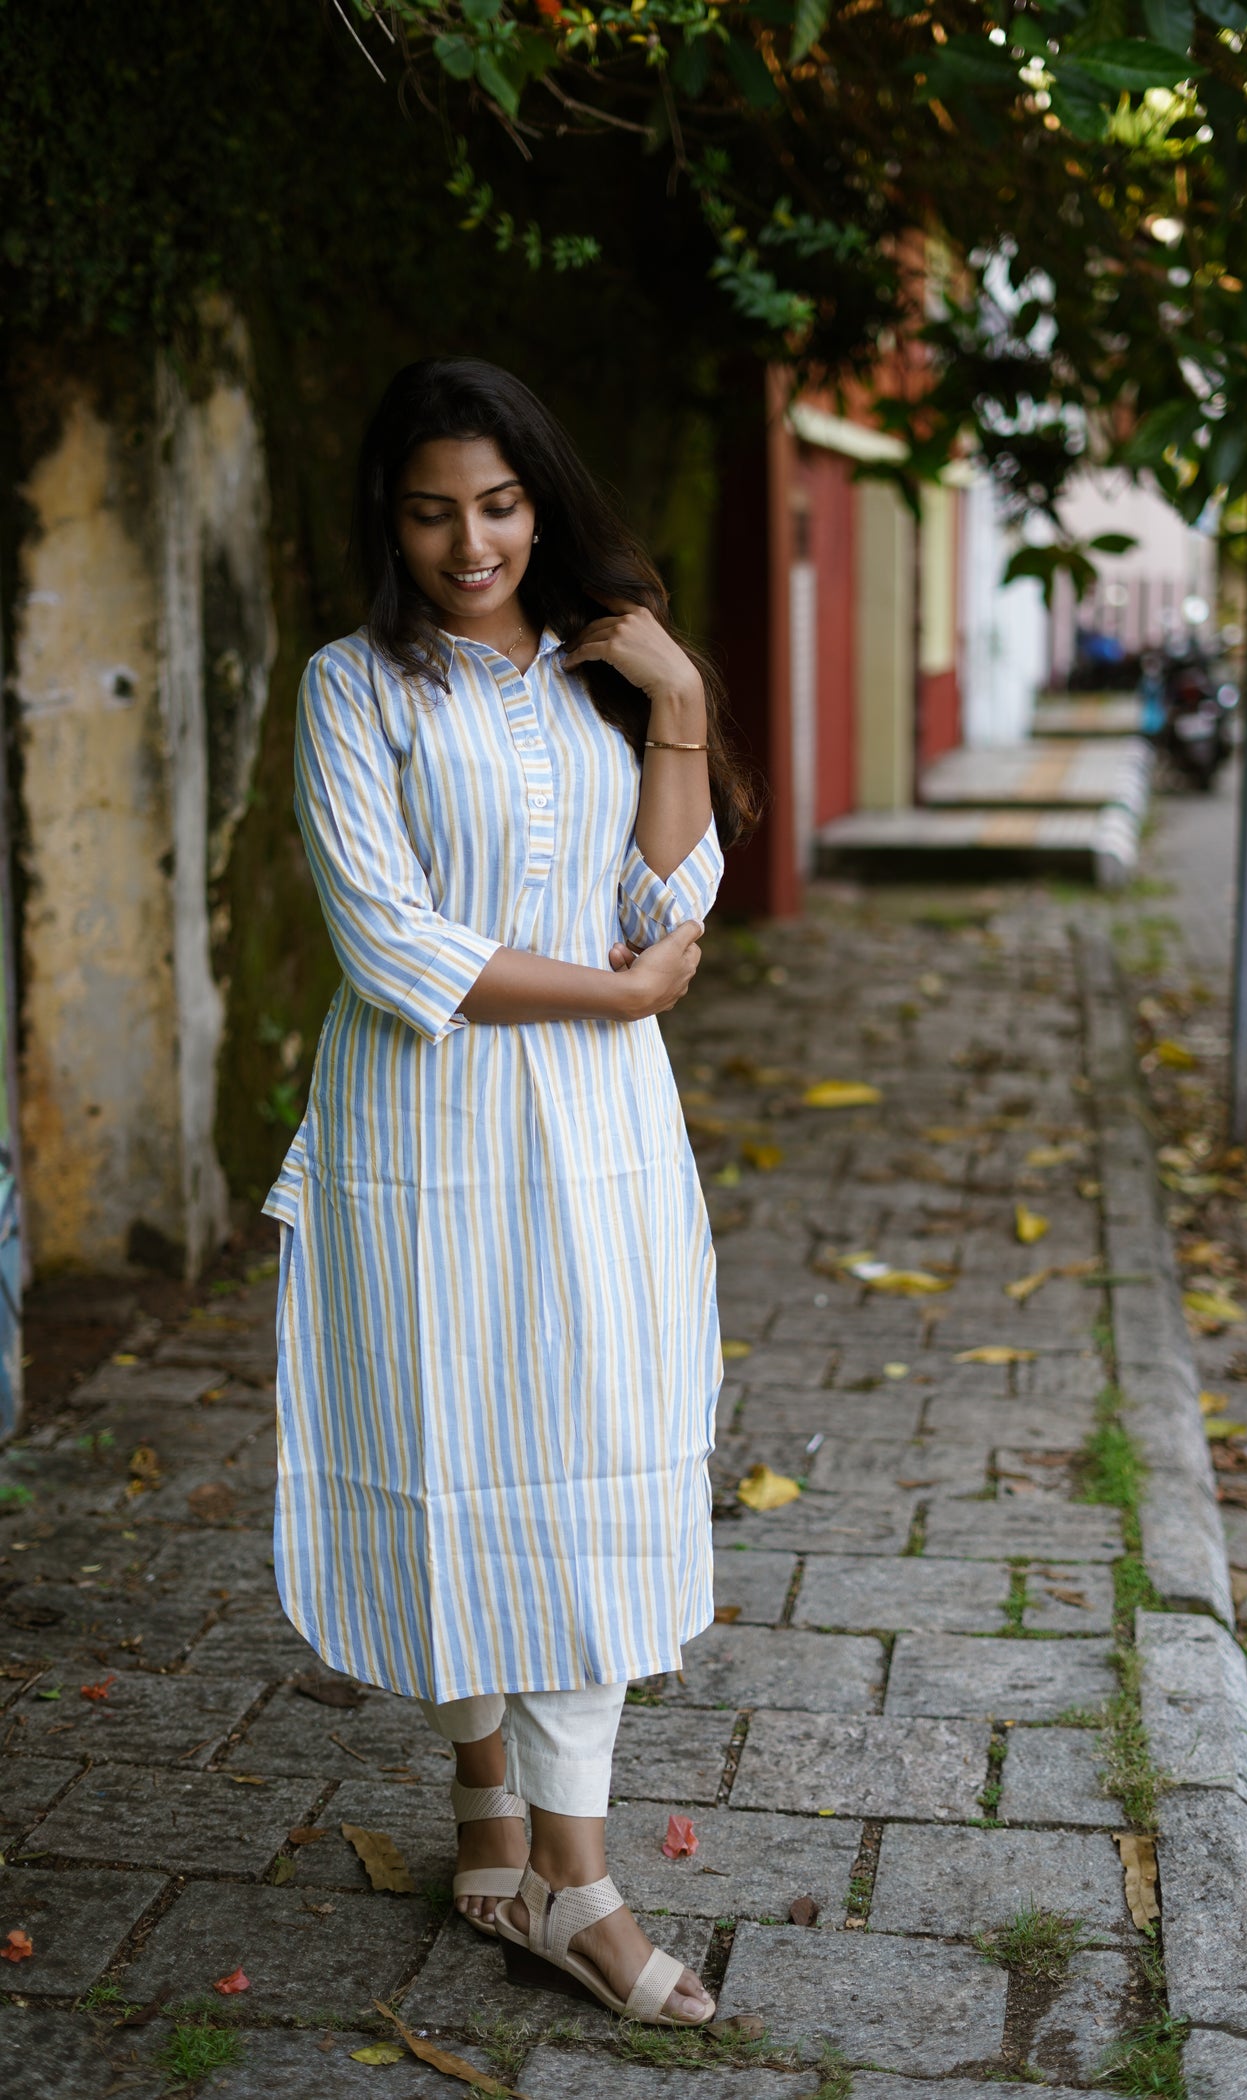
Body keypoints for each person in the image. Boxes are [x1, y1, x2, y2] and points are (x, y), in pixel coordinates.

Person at [263, 357, 758, 2027]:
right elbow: (392, 942)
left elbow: (666, 889)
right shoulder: (354, 687)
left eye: (496, 503)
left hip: (604, 1134)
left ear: (541, 501)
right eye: (430, 510)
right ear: (387, 522)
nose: (468, 541)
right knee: (458, 1449)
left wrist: (676, 700)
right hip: (428, 1125)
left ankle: (562, 1867)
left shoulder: (590, 677)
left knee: (594, 1470)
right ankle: (520, 1832)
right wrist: (619, 996)